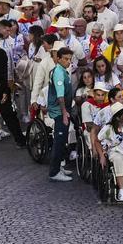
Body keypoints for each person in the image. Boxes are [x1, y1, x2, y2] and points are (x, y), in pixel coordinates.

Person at [46, 45, 75, 182]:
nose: (68, 61)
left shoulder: (63, 71)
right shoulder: (58, 72)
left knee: (62, 140)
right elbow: (60, 96)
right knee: (59, 141)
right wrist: (64, 113)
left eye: (70, 59)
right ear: (58, 58)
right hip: (59, 111)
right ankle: (54, 171)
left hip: (63, 110)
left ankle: (58, 167)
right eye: (65, 59)